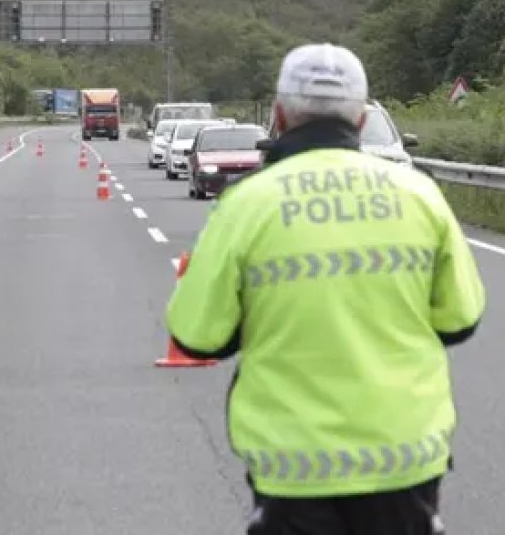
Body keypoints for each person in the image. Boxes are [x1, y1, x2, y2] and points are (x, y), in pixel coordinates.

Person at [165, 43, 486, 535]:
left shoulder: (246, 205)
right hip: (406, 459)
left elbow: (197, 336)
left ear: (278, 117)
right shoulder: (418, 194)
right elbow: (460, 319)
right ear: (360, 119)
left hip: (292, 470)